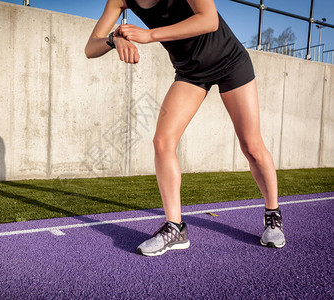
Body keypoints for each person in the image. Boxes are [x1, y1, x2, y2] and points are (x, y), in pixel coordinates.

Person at [85, 0, 285, 256]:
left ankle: (273, 215)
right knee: (162, 142)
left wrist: (150, 35)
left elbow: (209, 19)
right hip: (191, 72)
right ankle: (175, 227)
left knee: (252, 146)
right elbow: (91, 47)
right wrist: (114, 39)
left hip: (230, 62)